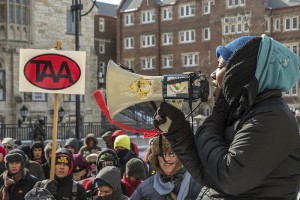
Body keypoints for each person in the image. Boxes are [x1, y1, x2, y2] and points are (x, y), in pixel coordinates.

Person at [153, 35, 300, 199]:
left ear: (241, 71)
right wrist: (177, 131)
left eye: (221, 66)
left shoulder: (272, 118)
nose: (213, 75)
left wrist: (215, 118)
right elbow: (208, 175)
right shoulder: (246, 115)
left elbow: (229, 178)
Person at [130, 135, 201, 199]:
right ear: (156, 158)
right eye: (162, 154)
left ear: (180, 156)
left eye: (172, 153)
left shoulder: (196, 184)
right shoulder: (145, 187)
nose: (167, 159)